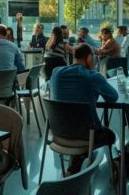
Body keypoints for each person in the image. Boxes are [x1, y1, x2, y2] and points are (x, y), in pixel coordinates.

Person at [49, 44, 119, 174]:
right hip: (87, 135)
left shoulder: (56, 72)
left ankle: (73, 168)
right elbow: (113, 97)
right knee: (110, 135)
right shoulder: (93, 76)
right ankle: (116, 166)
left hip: (57, 133)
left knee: (77, 124)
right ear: (89, 58)